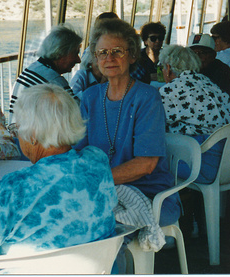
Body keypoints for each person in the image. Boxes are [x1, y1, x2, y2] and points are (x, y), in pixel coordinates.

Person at [0, 84, 118, 270]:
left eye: (17, 128)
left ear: (33, 135)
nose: (17, 134)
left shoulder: (17, 187)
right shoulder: (97, 160)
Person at [74, 18, 180, 227]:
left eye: (117, 51)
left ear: (132, 55)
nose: (109, 58)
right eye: (102, 52)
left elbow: (146, 164)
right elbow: (79, 150)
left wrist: (94, 181)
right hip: (104, 188)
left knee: (88, 222)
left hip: (147, 193)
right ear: (95, 58)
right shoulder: (89, 97)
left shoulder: (147, 98)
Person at [158, 45, 230, 183]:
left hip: (205, 166)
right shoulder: (208, 82)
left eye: (162, 67)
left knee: (148, 160)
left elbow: (148, 123)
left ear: (168, 68)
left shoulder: (171, 90)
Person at [8, 23, 82, 123]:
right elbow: (79, 113)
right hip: (30, 136)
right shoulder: (54, 80)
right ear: (60, 53)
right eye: (75, 53)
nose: (78, 60)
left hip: (19, 133)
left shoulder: (33, 68)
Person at [189, 33, 230, 120]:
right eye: (193, 53)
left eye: (201, 53)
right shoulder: (191, 71)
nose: (196, 57)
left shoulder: (221, 71)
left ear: (213, 55)